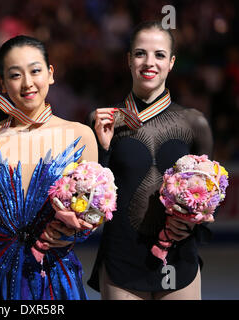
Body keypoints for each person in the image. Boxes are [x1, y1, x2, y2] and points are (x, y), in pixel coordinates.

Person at [0, 35, 98, 299]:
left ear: (50, 74)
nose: (27, 83)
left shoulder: (79, 135)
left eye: (35, 71)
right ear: (2, 83)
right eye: (15, 75)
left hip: (55, 276)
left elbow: (96, 210)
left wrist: (71, 235)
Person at [87, 21, 214, 300]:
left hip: (179, 258)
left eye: (159, 55)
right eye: (140, 53)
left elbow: (211, 193)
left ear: (171, 62)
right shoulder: (104, 121)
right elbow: (90, 204)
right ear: (129, 60)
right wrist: (104, 148)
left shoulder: (194, 123)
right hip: (122, 259)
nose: (149, 62)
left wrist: (194, 221)